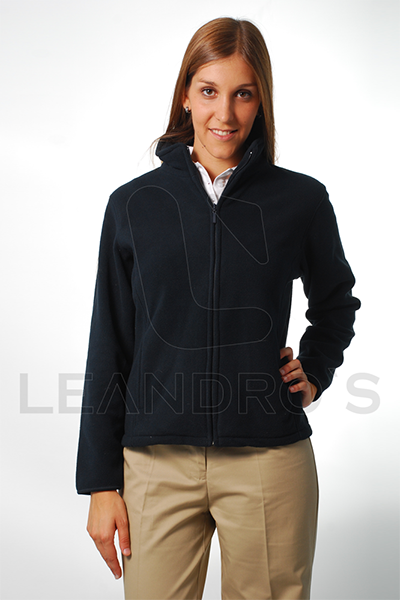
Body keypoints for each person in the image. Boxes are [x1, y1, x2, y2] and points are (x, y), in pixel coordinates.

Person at [76, 17, 360, 600]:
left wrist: (315, 369)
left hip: (268, 459)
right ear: (185, 95)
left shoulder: (301, 201)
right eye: (209, 90)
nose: (224, 113)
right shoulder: (132, 205)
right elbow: (110, 341)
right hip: (155, 463)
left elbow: (336, 301)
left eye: (243, 93)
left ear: (262, 101)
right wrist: (100, 483)